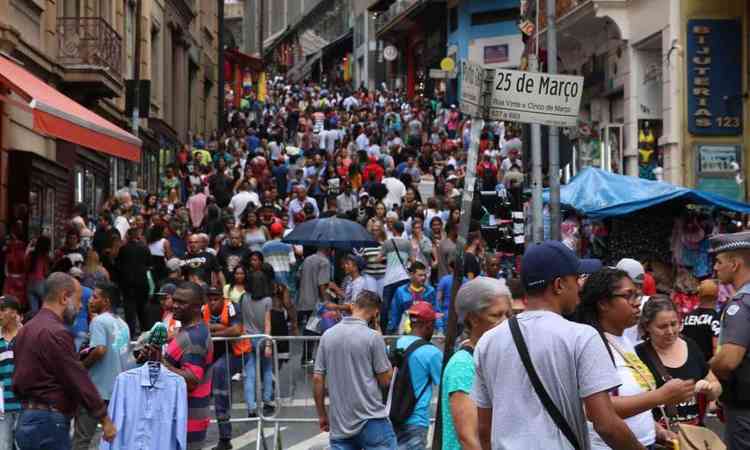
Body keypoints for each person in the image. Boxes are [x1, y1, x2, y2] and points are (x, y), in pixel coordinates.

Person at [473, 241, 644, 450]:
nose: (580, 287)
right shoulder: (581, 337)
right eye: (575, 279)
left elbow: (484, 428)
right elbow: (606, 424)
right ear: (559, 285)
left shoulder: (488, 341)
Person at [576, 268, 697, 449]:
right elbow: (598, 410)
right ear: (603, 304)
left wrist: (657, 431)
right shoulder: (593, 345)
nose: (637, 304)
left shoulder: (623, 340)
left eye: (638, 295)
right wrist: (660, 396)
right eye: (628, 296)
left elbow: (634, 400)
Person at [13, 272, 117, 450]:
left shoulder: (25, 330)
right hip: (48, 422)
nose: (80, 307)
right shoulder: (57, 332)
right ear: (64, 298)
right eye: (78, 301)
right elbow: (77, 378)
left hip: (27, 418)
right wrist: (104, 418)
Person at [312, 290, 396, 449]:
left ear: (353, 306)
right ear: (375, 312)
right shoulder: (373, 337)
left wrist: (322, 414)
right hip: (371, 420)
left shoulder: (327, 336)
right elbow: (385, 380)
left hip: (340, 424)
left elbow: (317, 379)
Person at [441, 277, 512, 450]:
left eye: (508, 315)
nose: (505, 322)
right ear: (473, 319)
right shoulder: (464, 365)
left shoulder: (492, 357)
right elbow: (469, 438)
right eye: (496, 315)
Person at [634, 297, 722, 425]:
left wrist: (709, 389)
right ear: (647, 326)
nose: (670, 331)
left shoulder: (690, 345)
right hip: (661, 438)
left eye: (674, 324)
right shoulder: (639, 355)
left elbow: (716, 386)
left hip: (695, 435)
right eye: (662, 327)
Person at [74, 281, 130, 450]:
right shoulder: (123, 324)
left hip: (95, 390)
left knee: (82, 439)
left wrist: (81, 367)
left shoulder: (99, 321)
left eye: (95, 297)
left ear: (106, 301)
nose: (90, 300)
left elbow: (99, 350)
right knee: (113, 438)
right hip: (116, 391)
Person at [708, 231, 750, 449]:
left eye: (719, 261)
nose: (715, 267)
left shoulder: (741, 304)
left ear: (734, 264)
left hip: (744, 410)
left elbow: (728, 361)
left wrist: (708, 369)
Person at [163, 281, 214, 450]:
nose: (175, 305)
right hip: (178, 416)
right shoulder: (188, 331)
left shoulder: (195, 338)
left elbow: (192, 381)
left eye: (182, 303)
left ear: (196, 307)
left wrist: (159, 362)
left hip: (188, 419)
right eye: (175, 300)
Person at [201, 286, 247, 450]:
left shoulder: (232, 306)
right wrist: (221, 328)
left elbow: (236, 330)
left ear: (222, 298)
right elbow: (200, 329)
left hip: (236, 353)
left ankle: (225, 438)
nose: (212, 303)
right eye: (210, 299)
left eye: (216, 299)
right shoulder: (203, 309)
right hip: (213, 354)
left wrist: (213, 331)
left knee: (220, 373)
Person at [392, 302, 442, 449]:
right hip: (416, 421)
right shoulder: (431, 353)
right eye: (434, 324)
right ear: (428, 325)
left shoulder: (392, 345)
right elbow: (445, 384)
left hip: (389, 418)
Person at [237, 270, 274, 417]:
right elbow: (267, 324)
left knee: (249, 372)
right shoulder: (267, 301)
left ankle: (251, 406)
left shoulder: (243, 298)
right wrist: (268, 344)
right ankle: (267, 400)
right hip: (262, 338)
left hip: (246, 338)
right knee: (267, 369)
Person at [115, 227, 151, 335]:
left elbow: (119, 265)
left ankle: (131, 333)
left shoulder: (123, 249)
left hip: (128, 284)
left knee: (130, 310)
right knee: (142, 309)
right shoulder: (145, 248)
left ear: (128, 236)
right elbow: (149, 263)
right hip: (142, 283)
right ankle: (145, 331)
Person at [388, 261, 436, 334]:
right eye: (420, 275)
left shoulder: (430, 291)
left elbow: (436, 311)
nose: (423, 278)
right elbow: (395, 314)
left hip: (425, 329)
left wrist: (440, 330)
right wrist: (392, 330)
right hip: (405, 330)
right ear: (411, 274)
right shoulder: (400, 291)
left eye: (425, 275)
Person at [681, 279, 721, 361]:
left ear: (698, 296)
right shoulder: (715, 319)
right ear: (717, 296)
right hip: (707, 365)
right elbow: (716, 346)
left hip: (690, 362)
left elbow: (682, 341)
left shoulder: (688, 317)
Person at [0, 296, 21, 450]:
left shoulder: (27, 335)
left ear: (14, 313)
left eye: (2, 310)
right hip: (2, 407)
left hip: (25, 405)